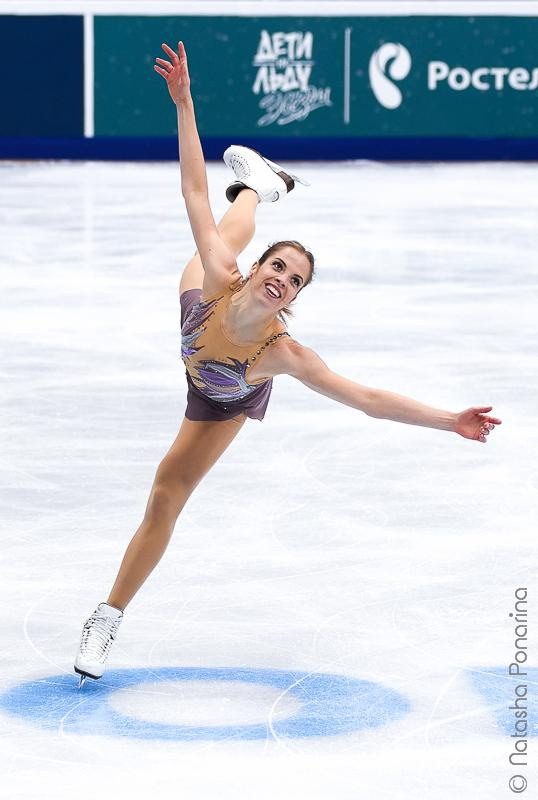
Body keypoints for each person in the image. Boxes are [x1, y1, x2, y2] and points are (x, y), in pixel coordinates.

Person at [74, 41, 502, 687]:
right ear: (260, 272)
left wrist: (451, 421)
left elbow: (368, 400)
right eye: (278, 267)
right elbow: (192, 183)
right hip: (203, 312)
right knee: (217, 235)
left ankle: (107, 616)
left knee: (167, 493)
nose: (282, 280)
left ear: (296, 297)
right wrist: (185, 104)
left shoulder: (284, 355)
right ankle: (258, 187)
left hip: (220, 394)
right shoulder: (222, 276)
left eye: (295, 280)